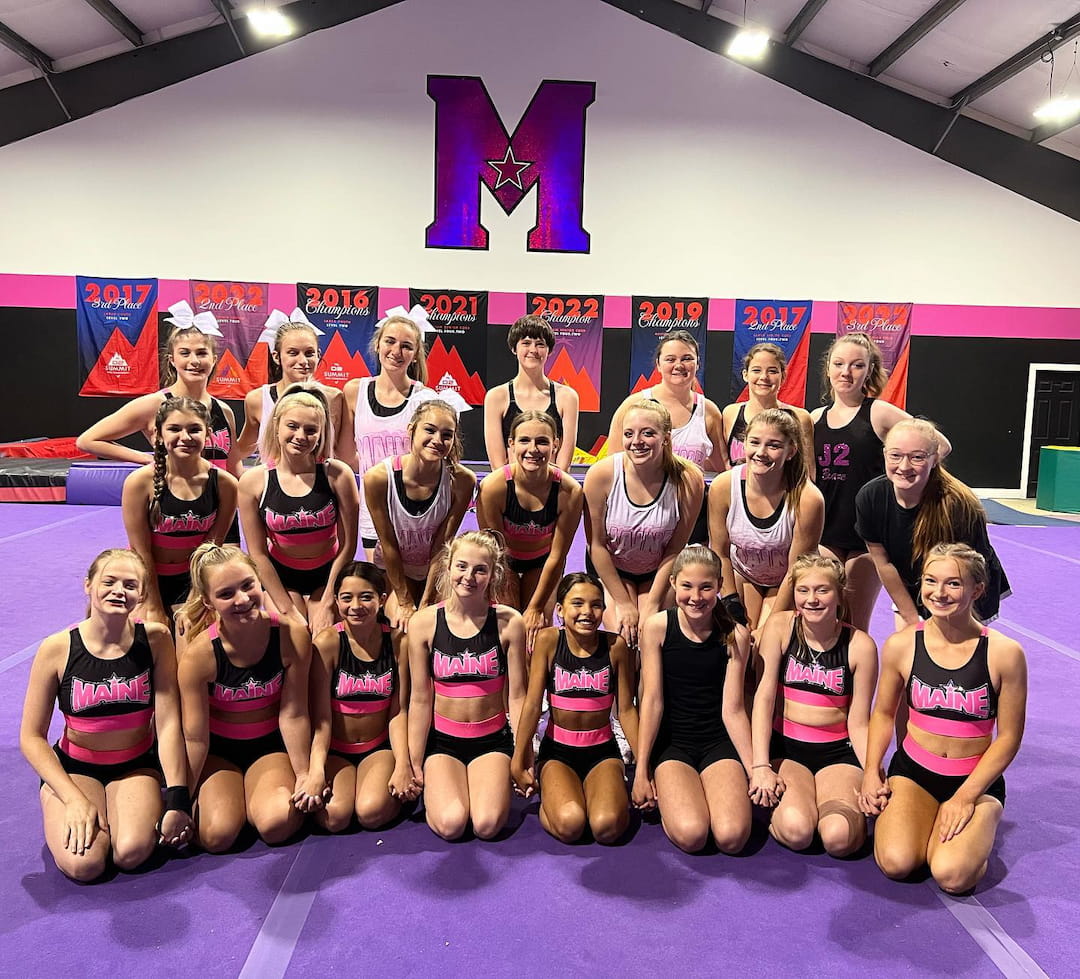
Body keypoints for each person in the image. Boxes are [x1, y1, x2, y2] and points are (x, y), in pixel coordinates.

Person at [859, 544, 1027, 893]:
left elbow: (1009, 738)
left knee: (951, 875)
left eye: (953, 584)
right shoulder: (901, 645)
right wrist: (872, 770)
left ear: (976, 589)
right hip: (915, 772)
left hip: (975, 780)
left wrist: (966, 796)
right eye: (930, 581)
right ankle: (931, 820)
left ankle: (983, 821)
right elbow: (883, 713)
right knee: (897, 862)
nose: (939, 592)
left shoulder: (1004, 654)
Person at [19, 549, 191, 881]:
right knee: (84, 864)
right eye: (109, 581)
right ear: (88, 585)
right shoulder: (57, 648)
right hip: (77, 768)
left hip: (136, 764)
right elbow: (30, 737)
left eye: (130, 585)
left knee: (131, 851)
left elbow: (169, 724)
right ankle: (71, 805)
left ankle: (121, 809)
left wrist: (177, 796)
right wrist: (72, 799)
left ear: (141, 594)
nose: (119, 591)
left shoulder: (155, 638)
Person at [178, 544, 321, 851]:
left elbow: (294, 713)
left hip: (269, 746)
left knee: (276, 824)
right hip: (220, 751)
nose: (242, 599)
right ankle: (229, 801)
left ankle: (255, 799)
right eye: (226, 594)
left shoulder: (291, 636)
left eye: (247, 586)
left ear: (260, 581)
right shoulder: (198, 657)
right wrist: (180, 799)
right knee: (216, 836)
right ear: (208, 601)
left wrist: (304, 774)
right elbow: (195, 737)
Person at [810, 332, 951, 630]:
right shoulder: (814, 418)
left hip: (866, 536)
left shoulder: (878, 412)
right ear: (828, 368)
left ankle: (858, 674)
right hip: (826, 531)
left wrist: (907, 483)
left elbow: (939, 444)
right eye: (839, 363)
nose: (846, 372)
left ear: (869, 371)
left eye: (856, 365)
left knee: (855, 623)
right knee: (825, 620)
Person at [750, 554, 877, 857]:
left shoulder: (860, 646)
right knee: (798, 831)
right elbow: (764, 699)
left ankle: (832, 804)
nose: (812, 599)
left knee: (838, 838)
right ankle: (796, 807)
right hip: (788, 750)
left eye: (822, 590)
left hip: (838, 752)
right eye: (803, 590)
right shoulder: (781, 628)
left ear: (839, 593)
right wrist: (760, 766)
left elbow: (859, 722)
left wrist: (872, 772)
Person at [632, 546, 753, 854]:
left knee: (732, 837)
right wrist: (641, 770)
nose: (696, 597)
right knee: (692, 834)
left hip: (718, 742)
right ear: (673, 584)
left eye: (706, 587)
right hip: (673, 744)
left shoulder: (735, 635)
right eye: (687, 586)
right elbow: (652, 701)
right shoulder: (657, 628)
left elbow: (734, 710)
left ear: (720, 585)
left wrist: (756, 771)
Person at [407, 531, 527, 841]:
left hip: (492, 740)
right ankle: (443, 785)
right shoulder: (424, 623)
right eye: (461, 566)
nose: (469, 577)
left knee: (486, 825)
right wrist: (413, 762)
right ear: (447, 567)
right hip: (442, 741)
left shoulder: (509, 622)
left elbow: (517, 696)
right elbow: (420, 699)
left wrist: (524, 753)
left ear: (493, 574)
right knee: (451, 823)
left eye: (480, 569)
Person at [511, 573, 638, 844]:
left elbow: (626, 710)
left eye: (596, 605)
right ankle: (555, 797)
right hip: (558, 752)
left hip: (602, 750)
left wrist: (646, 772)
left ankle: (603, 791)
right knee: (571, 824)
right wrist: (518, 758)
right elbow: (533, 704)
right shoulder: (548, 641)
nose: (587, 612)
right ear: (560, 610)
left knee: (607, 827)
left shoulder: (616, 647)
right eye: (577, 604)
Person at [855, 418, 1008, 626]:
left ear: (934, 458)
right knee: (908, 648)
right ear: (884, 455)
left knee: (949, 651)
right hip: (913, 583)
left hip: (964, 589)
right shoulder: (870, 498)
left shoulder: (958, 505)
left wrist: (942, 628)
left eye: (917, 457)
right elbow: (884, 563)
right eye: (895, 455)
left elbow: (965, 574)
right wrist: (911, 619)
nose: (904, 466)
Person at [583, 399, 705, 647]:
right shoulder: (601, 476)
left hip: (659, 569)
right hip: (613, 569)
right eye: (629, 434)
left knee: (653, 632)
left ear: (666, 438)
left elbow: (675, 548)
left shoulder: (689, 479)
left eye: (648, 433)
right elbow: (596, 546)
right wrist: (624, 604)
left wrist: (651, 604)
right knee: (622, 633)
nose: (636, 441)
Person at [238, 390, 359, 634]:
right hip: (280, 575)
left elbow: (347, 546)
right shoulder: (254, 482)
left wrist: (326, 602)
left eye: (311, 430)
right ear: (276, 425)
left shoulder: (337, 475)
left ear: (322, 433)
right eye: (292, 426)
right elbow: (258, 554)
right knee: (293, 635)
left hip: (328, 574)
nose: (300, 436)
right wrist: (287, 609)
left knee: (324, 638)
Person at [309, 563, 418, 832]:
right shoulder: (327, 643)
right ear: (336, 602)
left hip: (378, 747)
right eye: (347, 598)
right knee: (333, 818)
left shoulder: (398, 643)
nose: (356, 605)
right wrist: (315, 771)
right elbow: (320, 718)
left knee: (371, 813)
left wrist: (403, 765)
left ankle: (387, 791)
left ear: (381, 600)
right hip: (337, 750)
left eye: (366, 596)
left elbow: (399, 712)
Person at [76, 304, 236, 473]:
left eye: (202, 353)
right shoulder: (154, 404)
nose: (194, 360)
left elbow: (233, 466)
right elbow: (87, 441)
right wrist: (147, 459)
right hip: (172, 493)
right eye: (185, 353)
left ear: (214, 359)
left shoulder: (224, 411)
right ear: (172, 360)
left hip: (218, 495)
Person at [121, 397, 238, 626]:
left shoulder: (225, 484)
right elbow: (140, 550)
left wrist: (196, 598)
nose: (185, 437)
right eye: (174, 429)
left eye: (194, 429)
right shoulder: (138, 483)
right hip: (146, 577)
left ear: (208, 434)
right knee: (151, 631)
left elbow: (211, 548)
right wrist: (153, 605)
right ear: (159, 434)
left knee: (194, 635)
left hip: (194, 578)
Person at [476, 410, 584, 651]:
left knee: (538, 631)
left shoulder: (569, 491)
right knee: (507, 629)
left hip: (543, 562)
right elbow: (494, 553)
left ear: (555, 445)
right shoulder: (493, 488)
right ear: (511, 444)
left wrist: (535, 608)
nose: (532, 449)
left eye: (542, 441)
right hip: (505, 562)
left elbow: (558, 555)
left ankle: (532, 687)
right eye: (524, 440)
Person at [364, 399, 476, 630]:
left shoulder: (462, 481)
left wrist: (426, 601)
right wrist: (405, 602)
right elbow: (389, 544)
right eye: (430, 430)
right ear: (412, 430)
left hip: (433, 569)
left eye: (447, 434)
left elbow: (441, 546)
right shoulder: (378, 478)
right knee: (402, 626)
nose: (437, 440)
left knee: (438, 624)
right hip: (393, 569)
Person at [709, 408, 824, 632]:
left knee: (767, 639)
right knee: (740, 636)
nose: (761, 452)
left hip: (785, 581)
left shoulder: (808, 499)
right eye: (754, 442)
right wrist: (731, 604)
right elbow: (720, 552)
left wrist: (770, 627)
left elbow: (796, 570)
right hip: (743, 575)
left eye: (773, 445)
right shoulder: (723, 487)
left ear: (791, 451)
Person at [342, 308, 439, 558]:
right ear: (378, 344)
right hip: (372, 512)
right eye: (390, 341)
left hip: (413, 512)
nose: (396, 351)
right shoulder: (355, 391)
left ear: (416, 355)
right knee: (380, 587)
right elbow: (344, 453)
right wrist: (374, 472)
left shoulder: (425, 399)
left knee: (410, 588)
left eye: (406, 346)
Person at [227, 309, 352, 469]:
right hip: (274, 488)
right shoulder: (258, 399)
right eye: (293, 353)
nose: (302, 360)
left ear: (318, 355)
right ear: (276, 356)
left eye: (309, 353)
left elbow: (341, 453)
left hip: (319, 487)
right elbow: (242, 449)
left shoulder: (334, 398)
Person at [610, 330, 728, 474]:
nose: (679, 365)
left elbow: (723, 467)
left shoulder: (709, 411)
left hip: (691, 495)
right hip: (643, 495)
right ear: (658, 365)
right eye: (670, 359)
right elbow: (613, 464)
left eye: (687, 358)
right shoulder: (632, 406)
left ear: (698, 364)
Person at [484, 314, 580, 471]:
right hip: (510, 487)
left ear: (549, 351)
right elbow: (498, 465)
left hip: (552, 487)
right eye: (526, 343)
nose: (533, 350)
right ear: (514, 348)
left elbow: (564, 463)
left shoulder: (567, 397)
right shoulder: (497, 398)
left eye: (540, 344)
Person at [722, 342, 814, 477]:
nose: (764, 377)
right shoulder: (730, 414)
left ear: (783, 377)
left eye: (772, 371)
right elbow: (724, 466)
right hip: (739, 494)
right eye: (756, 370)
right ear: (745, 374)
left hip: (783, 495)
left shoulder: (799, 418)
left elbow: (808, 472)